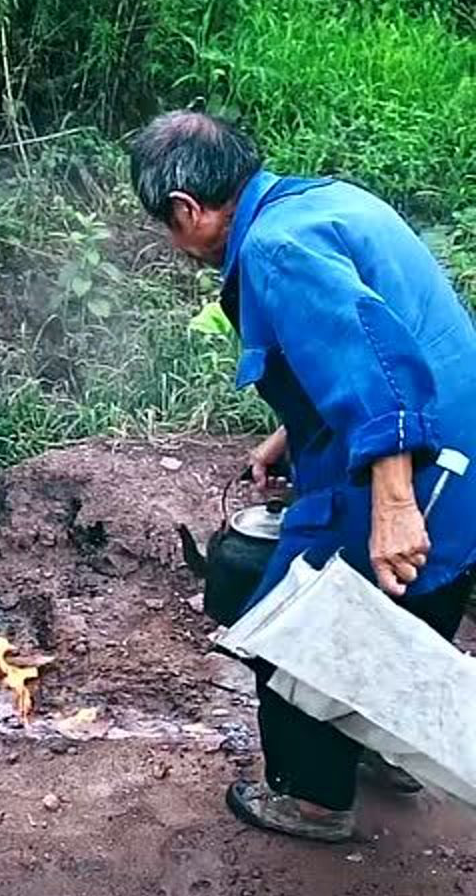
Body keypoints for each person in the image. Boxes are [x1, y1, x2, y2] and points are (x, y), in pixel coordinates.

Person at [131, 110, 476, 842]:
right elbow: (363, 334)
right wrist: (290, 434)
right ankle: (387, 747)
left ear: (187, 210)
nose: (173, 243)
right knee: (413, 604)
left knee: (303, 614)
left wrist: (393, 505)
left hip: (423, 456)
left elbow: (373, 366)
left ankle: (314, 798)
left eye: (167, 225)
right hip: (461, 445)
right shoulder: (322, 201)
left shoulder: (276, 249)